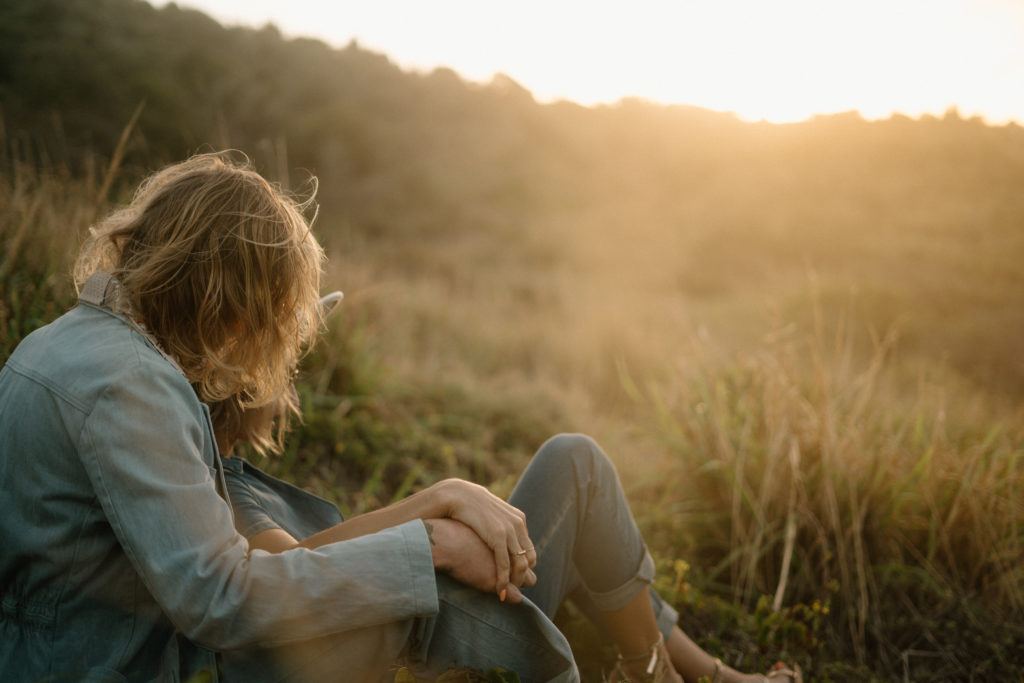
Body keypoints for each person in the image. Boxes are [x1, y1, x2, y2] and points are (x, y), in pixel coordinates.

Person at [0, 151, 799, 683]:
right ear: (225, 303)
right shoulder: (133, 388)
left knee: (568, 468)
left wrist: (439, 512)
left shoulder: (70, 348)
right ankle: (668, 669)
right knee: (575, 465)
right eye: (272, 333)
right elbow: (232, 594)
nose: (274, 368)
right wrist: (430, 535)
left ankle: (682, 664)